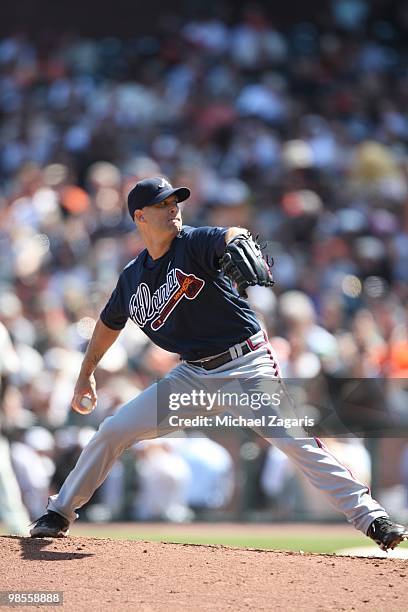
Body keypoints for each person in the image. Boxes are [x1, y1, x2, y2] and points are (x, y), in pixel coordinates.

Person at [30, 176, 408, 552]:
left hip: (244, 366)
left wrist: (239, 239)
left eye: (175, 201)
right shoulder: (132, 278)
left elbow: (228, 234)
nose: (173, 208)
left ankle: (372, 518)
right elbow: (108, 323)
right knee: (114, 430)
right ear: (140, 216)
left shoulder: (193, 242)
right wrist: (85, 375)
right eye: (163, 204)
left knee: (294, 442)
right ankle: (60, 512)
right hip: (191, 377)